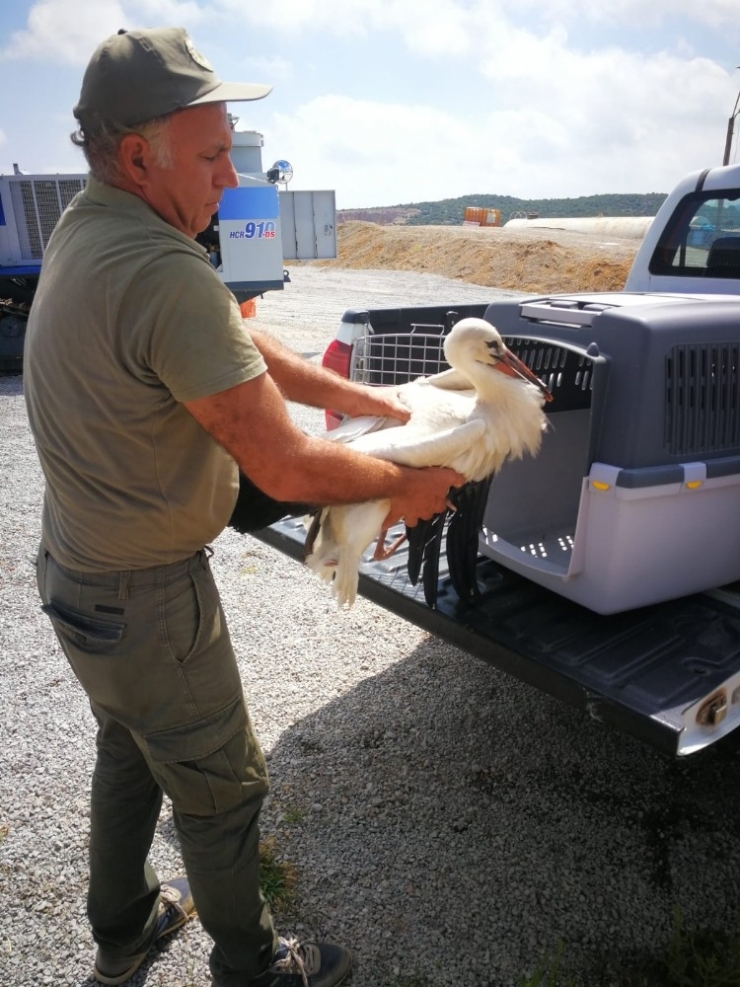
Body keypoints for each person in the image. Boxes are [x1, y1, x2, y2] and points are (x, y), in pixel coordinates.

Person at [23, 26, 463, 987]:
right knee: (222, 791)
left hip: (79, 572)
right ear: (140, 154)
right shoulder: (163, 269)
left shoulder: (96, 226)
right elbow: (291, 468)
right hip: (146, 598)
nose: (232, 179)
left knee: (131, 753)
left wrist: (359, 400)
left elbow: (234, 352)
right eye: (215, 154)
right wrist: (407, 482)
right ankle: (255, 965)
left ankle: (124, 928)